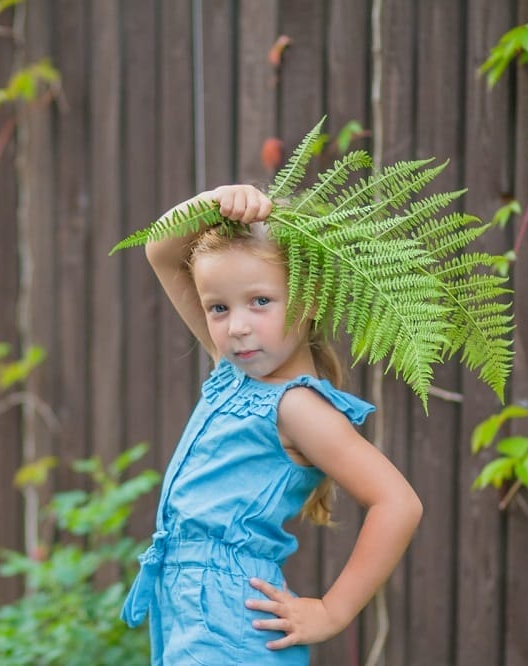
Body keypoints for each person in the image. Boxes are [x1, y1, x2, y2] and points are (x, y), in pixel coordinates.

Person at [120, 184, 423, 665]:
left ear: (311, 298)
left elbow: (398, 502)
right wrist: (219, 200)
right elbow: (160, 246)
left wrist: (332, 610)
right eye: (219, 307)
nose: (236, 325)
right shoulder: (233, 368)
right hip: (187, 609)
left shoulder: (297, 406)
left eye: (260, 301)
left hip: (230, 620)